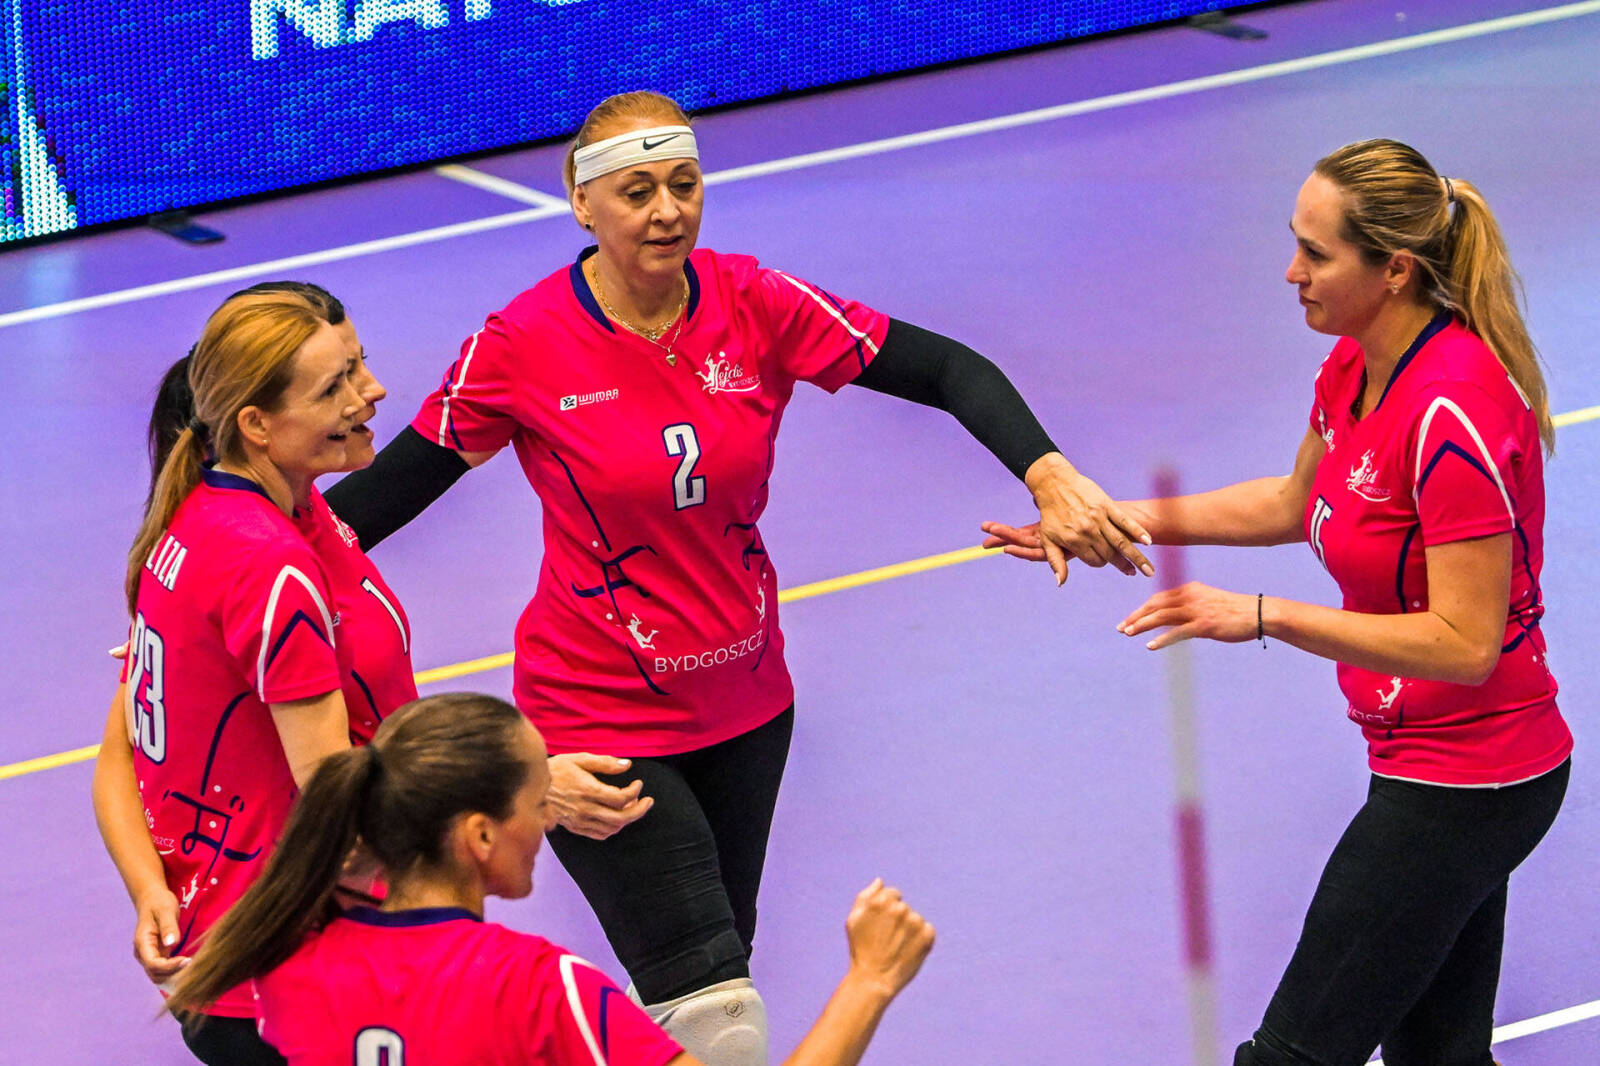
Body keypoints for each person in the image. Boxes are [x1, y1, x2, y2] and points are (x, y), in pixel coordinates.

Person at [322, 89, 1151, 1061]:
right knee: (714, 1012)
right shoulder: (523, 344)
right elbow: (379, 499)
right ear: (583, 204)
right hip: (599, 716)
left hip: (750, 708)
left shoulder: (753, 301)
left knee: (712, 988)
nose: (668, 210)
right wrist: (237, 568)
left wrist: (1048, 472)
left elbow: (943, 368)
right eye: (637, 191)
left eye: (684, 184)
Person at [986, 139, 1571, 1066]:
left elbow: (1468, 644)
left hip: (1473, 776)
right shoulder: (1353, 367)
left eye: (1315, 253)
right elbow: (1298, 502)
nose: (1290, 271)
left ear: (1394, 270)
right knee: (1441, 1059)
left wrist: (1264, 616)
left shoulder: (1451, 413)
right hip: (1418, 751)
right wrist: (1113, 517)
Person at [165, 692, 937, 1066]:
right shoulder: (537, 987)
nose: (548, 824)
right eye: (540, 802)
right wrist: (868, 981)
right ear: (479, 835)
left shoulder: (284, 966)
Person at [91, 288, 409, 1065]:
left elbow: (120, 755)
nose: (366, 394)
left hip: (229, 954)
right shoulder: (267, 566)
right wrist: (515, 791)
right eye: (334, 386)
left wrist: (154, 892)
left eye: (357, 366)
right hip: (297, 968)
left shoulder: (203, 523)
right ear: (257, 424)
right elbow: (335, 800)